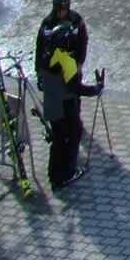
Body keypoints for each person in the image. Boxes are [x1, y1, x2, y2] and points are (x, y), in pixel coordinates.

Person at [40, 46, 103, 189]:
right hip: (65, 105)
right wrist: (96, 88)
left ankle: (53, 174)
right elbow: (75, 88)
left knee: (58, 139)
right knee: (72, 136)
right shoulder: (67, 60)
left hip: (51, 101)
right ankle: (67, 174)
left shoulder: (48, 54)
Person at [35, 0, 89, 79]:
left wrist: (80, 63)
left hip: (71, 63)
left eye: (62, 10)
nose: (60, 13)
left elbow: (83, 42)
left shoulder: (76, 20)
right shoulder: (47, 23)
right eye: (58, 10)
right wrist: (38, 70)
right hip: (52, 66)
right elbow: (40, 45)